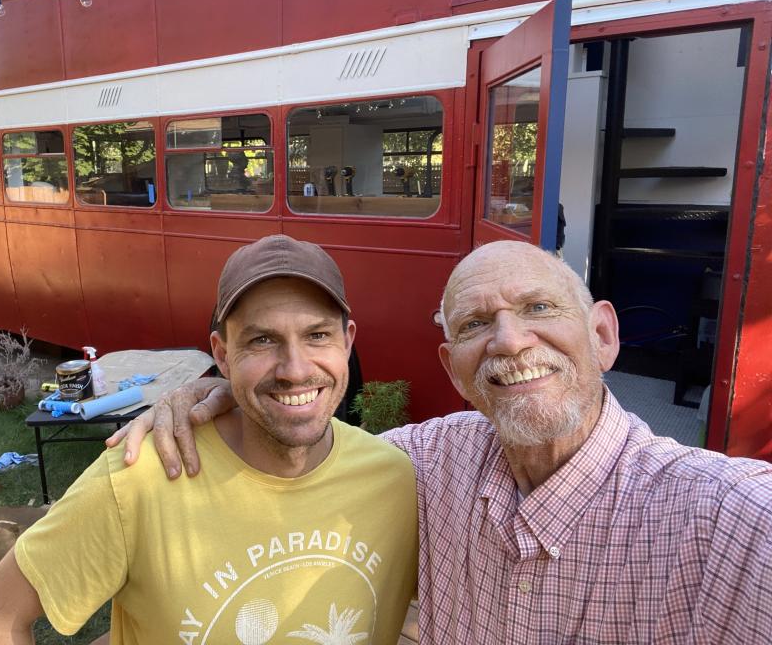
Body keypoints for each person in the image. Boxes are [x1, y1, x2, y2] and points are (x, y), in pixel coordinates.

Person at [111, 239, 772, 644]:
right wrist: (232, 393)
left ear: (602, 335)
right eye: (477, 324)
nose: (510, 340)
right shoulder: (428, 461)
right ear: (453, 366)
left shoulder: (725, 521)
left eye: (539, 308)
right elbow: (305, 445)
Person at [0, 235, 418, 644]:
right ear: (222, 354)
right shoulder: (141, 478)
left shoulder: (398, 481)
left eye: (317, 335)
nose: (295, 369)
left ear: (347, 342)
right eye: (262, 340)